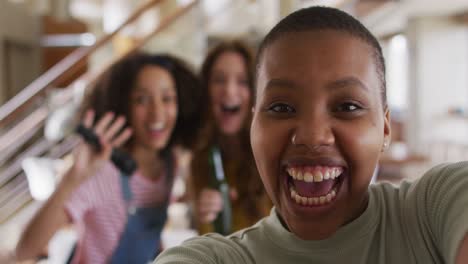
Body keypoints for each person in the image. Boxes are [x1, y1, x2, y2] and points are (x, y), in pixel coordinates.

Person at [154, 6, 468, 264]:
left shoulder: (435, 211)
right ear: (254, 126)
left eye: (347, 105)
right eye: (281, 107)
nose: (313, 136)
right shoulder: (218, 258)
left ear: (385, 127)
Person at [15, 52, 203, 264]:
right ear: (123, 105)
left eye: (167, 98)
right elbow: (25, 250)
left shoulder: (169, 164)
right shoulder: (103, 172)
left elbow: (147, 239)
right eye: (141, 99)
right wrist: (73, 177)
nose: (157, 113)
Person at [188, 40, 271, 235]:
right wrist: (205, 218)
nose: (229, 91)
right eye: (219, 80)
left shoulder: (272, 153)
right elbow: (210, 242)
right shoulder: (201, 160)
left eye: (242, 81)